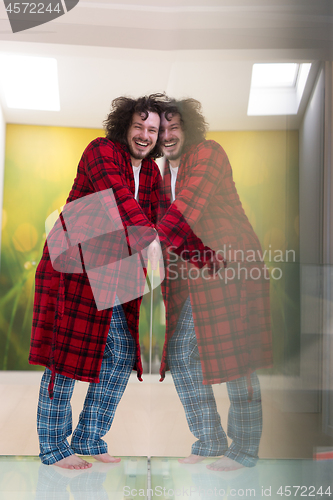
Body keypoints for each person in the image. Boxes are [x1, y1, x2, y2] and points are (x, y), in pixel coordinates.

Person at [29, 94, 165, 470]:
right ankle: (54, 447)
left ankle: (89, 436)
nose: (144, 134)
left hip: (113, 265)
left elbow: (153, 217)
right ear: (124, 126)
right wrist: (155, 238)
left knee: (120, 353)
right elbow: (116, 197)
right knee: (65, 357)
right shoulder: (101, 150)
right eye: (138, 126)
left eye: (152, 129)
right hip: (72, 261)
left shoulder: (152, 173)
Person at [156, 98, 272, 471]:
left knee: (237, 355)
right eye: (162, 129)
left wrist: (142, 243)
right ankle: (209, 440)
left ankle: (245, 449)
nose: (168, 135)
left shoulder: (208, 153)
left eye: (175, 127)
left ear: (189, 129)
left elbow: (184, 212)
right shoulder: (161, 175)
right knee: (181, 351)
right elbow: (171, 230)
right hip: (199, 267)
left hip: (231, 261)